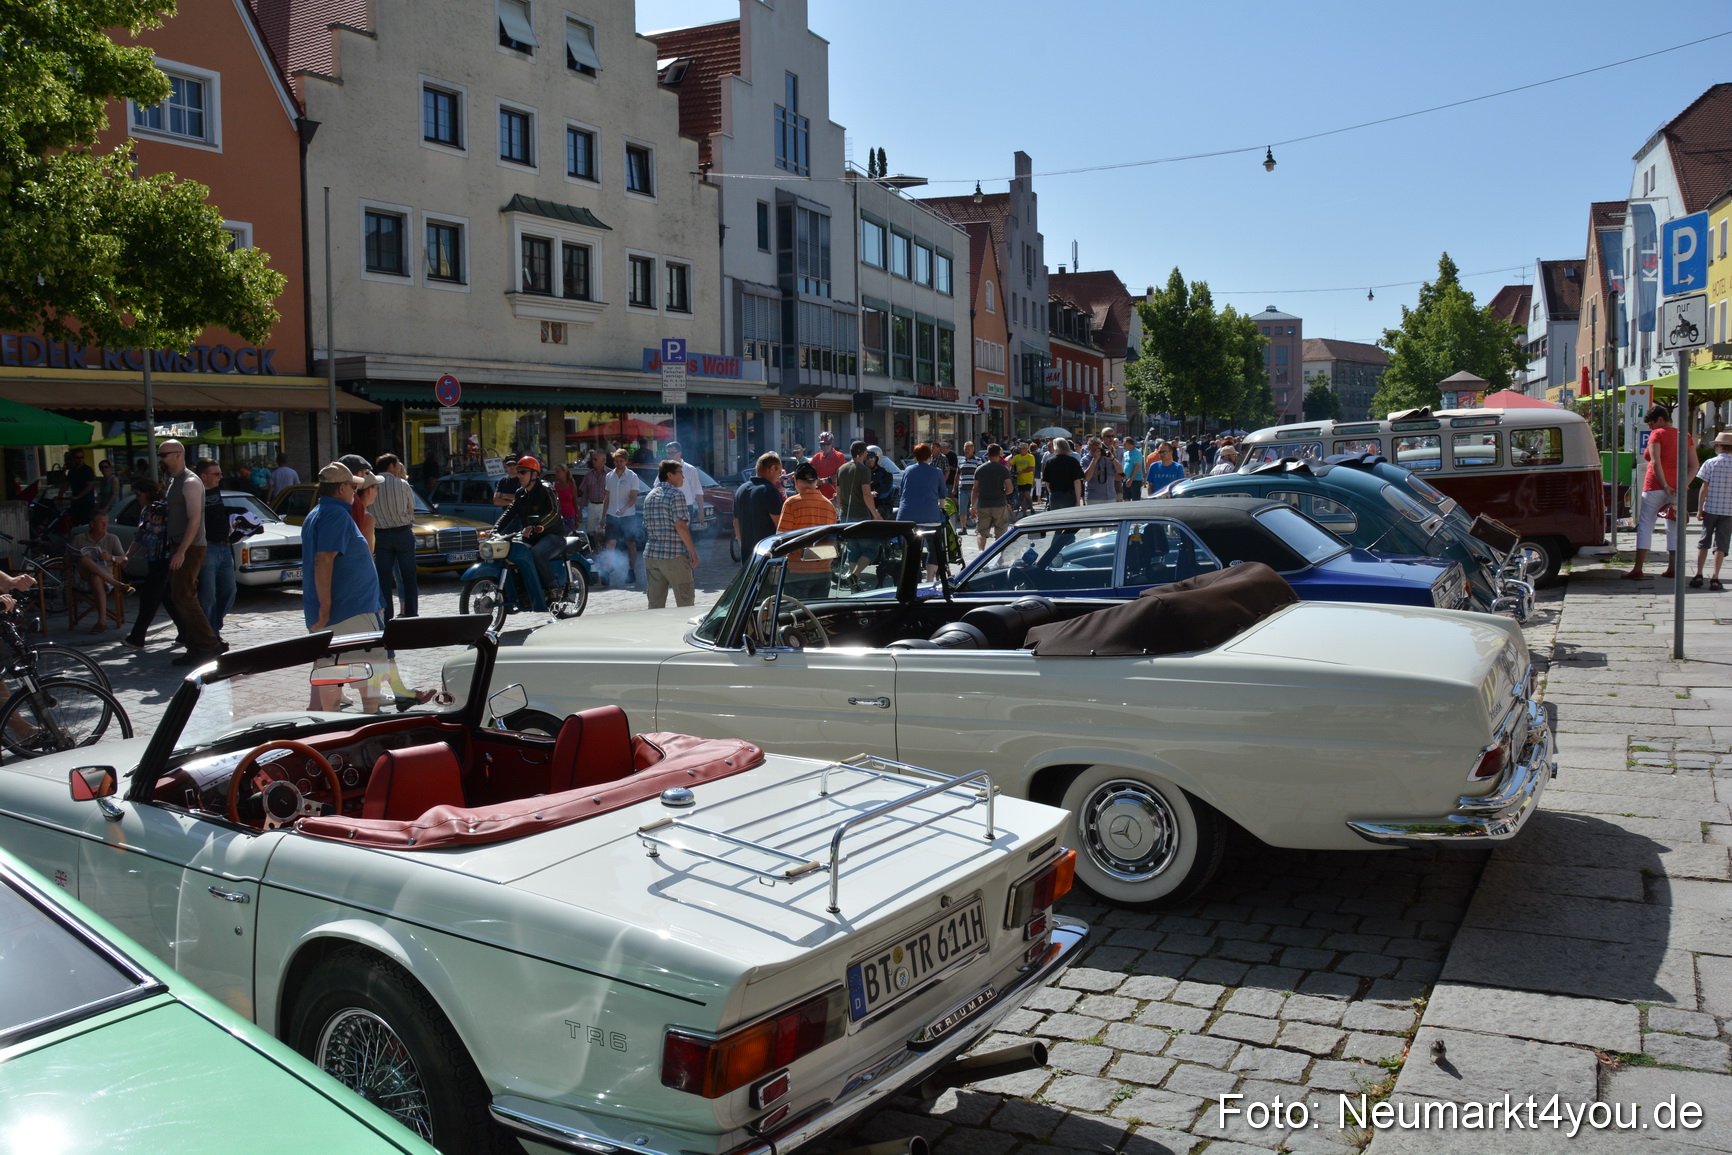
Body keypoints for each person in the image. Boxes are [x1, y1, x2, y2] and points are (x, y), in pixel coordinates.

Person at [302, 463, 386, 710]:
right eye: (351, 486)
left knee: (335, 669)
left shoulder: (321, 512)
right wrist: (326, 607)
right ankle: (368, 721)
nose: (354, 492)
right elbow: (323, 558)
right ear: (340, 488)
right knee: (369, 666)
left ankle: (335, 723)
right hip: (348, 610)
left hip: (347, 609)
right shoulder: (335, 514)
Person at [156, 440, 223, 666]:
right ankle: (197, 647)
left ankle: (210, 645)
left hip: (191, 548)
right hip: (181, 546)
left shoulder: (191, 482)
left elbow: (195, 521)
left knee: (182, 597)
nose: (160, 459)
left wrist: (181, 552)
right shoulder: (175, 481)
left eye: (163, 455)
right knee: (181, 597)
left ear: (177, 454)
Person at [1625, 406, 1692, 580]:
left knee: (1646, 524)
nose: (1650, 427)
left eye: (1651, 422)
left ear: (1661, 419)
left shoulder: (1658, 434)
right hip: (1677, 487)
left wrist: (1664, 484)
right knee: (1673, 526)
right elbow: (1694, 465)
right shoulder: (1685, 435)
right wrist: (1683, 484)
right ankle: (1673, 568)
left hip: (1655, 485)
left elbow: (1655, 462)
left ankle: (1638, 568)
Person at [495, 455, 565, 595]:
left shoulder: (546, 489)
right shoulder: (520, 493)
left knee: (537, 554)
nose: (518, 475)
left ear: (534, 474)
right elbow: (509, 513)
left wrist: (535, 526)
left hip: (553, 536)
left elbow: (554, 512)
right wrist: (494, 530)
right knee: (511, 552)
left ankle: (553, 588)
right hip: (531, 537)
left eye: (522, 472)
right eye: (517, 471)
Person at [642, 459, 700, 608]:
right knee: (685, 601)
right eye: (680, 473)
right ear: (669, 475)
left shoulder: (649, 496)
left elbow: (646, 525)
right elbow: (680, 525)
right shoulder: (676, 494)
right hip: (674, 555)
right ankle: (683, 631)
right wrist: (693, 551)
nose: (683, 477)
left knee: (655, 604)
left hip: (652, 555)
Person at [776, 462, 837, 599]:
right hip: (823, 571)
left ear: (796, 481)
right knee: (817, 616)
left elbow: (781, 538)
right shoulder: (829, 505)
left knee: (796, 616)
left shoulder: (791, 503)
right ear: (816, 481)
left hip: (797, 572)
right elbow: (832, 541)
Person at [194, 457, 239, 642]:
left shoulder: (215, 489)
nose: (220, 477)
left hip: (224, 546)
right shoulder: (195, 492)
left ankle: (213, 627)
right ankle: (210, 635)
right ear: (203, 476)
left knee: (230, 591)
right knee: (208, 595)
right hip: (208, 547)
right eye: (217, 474)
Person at [372, 453, 419, 619]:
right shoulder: (401, 484)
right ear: (391, 466)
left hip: (381, 535)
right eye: (398, 463)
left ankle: (386, 615)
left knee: (383, 578)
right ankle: (411, 613)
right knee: (408, 576)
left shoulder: (371, 485)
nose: (400, 466)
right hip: (402, 532)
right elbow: (411, 510)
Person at [66, 510, 129, 633]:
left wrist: (110, 557)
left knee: (96, 577)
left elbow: (124, 558)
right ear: (92, 524)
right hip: (83, 578)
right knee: (84, 559)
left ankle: (101, 622)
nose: (105, 526)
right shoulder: (80, 538)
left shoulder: (112, 538)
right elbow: (67, 559)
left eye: (106, 522)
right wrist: (75, 557)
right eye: (101, 522)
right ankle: (118, 584)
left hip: (105, 579)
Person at [835, 440, 881, 586]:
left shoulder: (841, 469)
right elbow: (866, 495)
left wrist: (840, 510)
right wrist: (876, 515)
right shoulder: (864, 470)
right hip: (861, 515)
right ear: (862, 453)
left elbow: (839, 494)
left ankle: (855, 582)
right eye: (866, 452)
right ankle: (855, 575)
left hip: (845, 516)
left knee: (852, 550)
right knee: (871, 549)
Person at [1691, 430, 1732, 591]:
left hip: (1711, 508)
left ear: (1720, 446)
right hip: (1729, 511)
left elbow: (1703, 488)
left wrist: (1699, 509)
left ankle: (1699, 574)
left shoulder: (1710, 463)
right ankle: (1715, 577)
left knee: (1704, 542)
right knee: (1721, 545)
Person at [734, 452, 786, 561]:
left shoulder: (740, 490)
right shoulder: (769, 490)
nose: (779, 477)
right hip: (767, 557)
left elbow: (736, 522)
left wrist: (742, 545)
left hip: (747, 556)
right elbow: (780, 526)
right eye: (779, 472)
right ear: (772, 469)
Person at [602, 449, 644, 582]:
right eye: (616, 461)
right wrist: (603, 516)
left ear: (626, 461)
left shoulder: (632, 476)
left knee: (630, 544)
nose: (618, 463)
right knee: (610, 544)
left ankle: (631, 572)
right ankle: (606, 573)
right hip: (612, 515)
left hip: (628, 516)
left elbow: (633, 498)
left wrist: (624, 509)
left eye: (621, 461)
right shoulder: (609, 476)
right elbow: (607, 498)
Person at [896, 443, 949, 526]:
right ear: (929, 456)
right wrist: (942, 510)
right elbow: (942, 495)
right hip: (930, 517)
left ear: (916, 456)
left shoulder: (908, 470)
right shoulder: (937, 472)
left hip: (906, 516)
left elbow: (902, 493)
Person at [973, 444, 1014, 549]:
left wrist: (973, 506)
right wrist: (1003, 493)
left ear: (988, 454)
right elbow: (1010, 488)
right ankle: (999, 557)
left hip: (983, 504)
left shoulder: (980, 469)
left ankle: (981, 553)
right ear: (999, 455)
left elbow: (975, 489)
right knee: (1001, 532)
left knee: (982, 532)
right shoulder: (1003, 469)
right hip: (999, 503)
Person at [1041, 438, 1085, 509]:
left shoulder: (1049, 462)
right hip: (1069, 495)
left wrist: (1051, 493)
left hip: (1055, 495)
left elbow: (1047, 483)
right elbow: (1077, 482)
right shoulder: (1073, 461)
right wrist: (1078, 501)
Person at [578, 449, 609, 536]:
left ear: (603, 460)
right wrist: (580, 510)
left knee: (603, 531)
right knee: (592, 531)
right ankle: (596, 548)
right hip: (592, 505)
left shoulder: (610, 474)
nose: (593, 461)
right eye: (593, 459)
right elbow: (585, 493)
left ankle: (603, 548)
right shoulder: (589, 474)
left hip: (605, 506)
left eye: (596, 459)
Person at [809, 431, 846, 501]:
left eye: (828, 443)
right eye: (823, 444)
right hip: (819, 497)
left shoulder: (839, 456)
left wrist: (823, 481)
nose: (825, 446)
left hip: (833, 497)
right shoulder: (817, 457)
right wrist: (792, 475)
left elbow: (839, 476)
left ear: (832, 443)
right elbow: (806, 468)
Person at [64, 448, 96, 526]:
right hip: (76, 503)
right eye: (77, 458)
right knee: (74, 522)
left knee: (86, 524)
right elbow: (66, 483)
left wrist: (78, 496)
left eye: (82, 457)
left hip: (87, 503)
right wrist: (60, 495)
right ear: (73, 459)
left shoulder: (87, 470)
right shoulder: (72, 470)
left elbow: (89, 486)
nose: (80, 459)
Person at [954, 440, 979, 530]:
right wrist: (954, 487)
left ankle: (978, 527)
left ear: (973, 449)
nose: (966, 450)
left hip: (974, 489)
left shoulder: (978, 461)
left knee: (975, 508)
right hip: (963, 488)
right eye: (965, 449)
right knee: (962, 509)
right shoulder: (960, 461)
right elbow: (957, 474)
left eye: (968, 449)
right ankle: (963, 527)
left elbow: (980, 475)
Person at [551, 461, 579, 534]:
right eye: (555, 472)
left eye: (558, 472)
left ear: (564, 472)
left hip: (570, 516)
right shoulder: (553, 486)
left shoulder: (572, 486)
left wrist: (577, 517)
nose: (556, 474)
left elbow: (575, 503)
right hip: (558, 517)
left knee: (570, 539)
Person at [1010, 442, 1037, 516]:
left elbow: (1031, 468)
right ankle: (1024, 513)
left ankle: (1031, 507)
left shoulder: (1030, 457)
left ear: (1026, 449)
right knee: (1021, 496)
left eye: (1022, 449)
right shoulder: (1017, 457)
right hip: (1020, 480)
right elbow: (1010, 463)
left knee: (1027, 494)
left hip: (1028, 479)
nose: (1021, 450)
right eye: (1020, 449)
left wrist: (1022, 471)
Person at [1123, 437, 1146, 501]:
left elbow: (1137, 467)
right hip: (1126, 478)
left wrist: (1131, 479)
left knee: (1135, 499)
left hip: (1135, 480)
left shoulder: (1137, 453)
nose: (1123, 446)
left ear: (1130, 444)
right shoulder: (1126, 453)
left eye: (1125, 444)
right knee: (1125, 498)